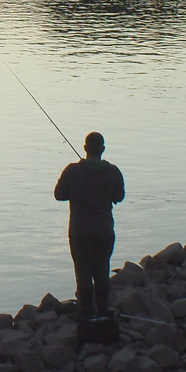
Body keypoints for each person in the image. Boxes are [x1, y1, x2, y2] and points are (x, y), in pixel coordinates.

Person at [54, 131, 125, 322]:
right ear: (102, 149)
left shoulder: (72, 170)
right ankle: (102, 310)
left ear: (85, 148)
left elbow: (59, 195)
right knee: (102, 270)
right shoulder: (113, 171)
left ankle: (86, 312)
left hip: (80, 231)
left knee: (82, 272)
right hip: (104, 230)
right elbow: (119, 197)